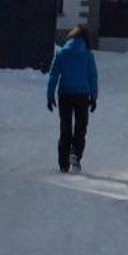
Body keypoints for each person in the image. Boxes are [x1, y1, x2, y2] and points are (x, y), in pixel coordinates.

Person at [46, 24, 98, 173]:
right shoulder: (88, 54)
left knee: (65, 127)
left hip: (65, 95)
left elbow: (54, 75)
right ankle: (75, 154)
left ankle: (63, 164)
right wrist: (94, 97)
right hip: (82, 96)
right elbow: (92, 76)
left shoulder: (62, 53)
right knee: (81, 127)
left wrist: (50, 96)